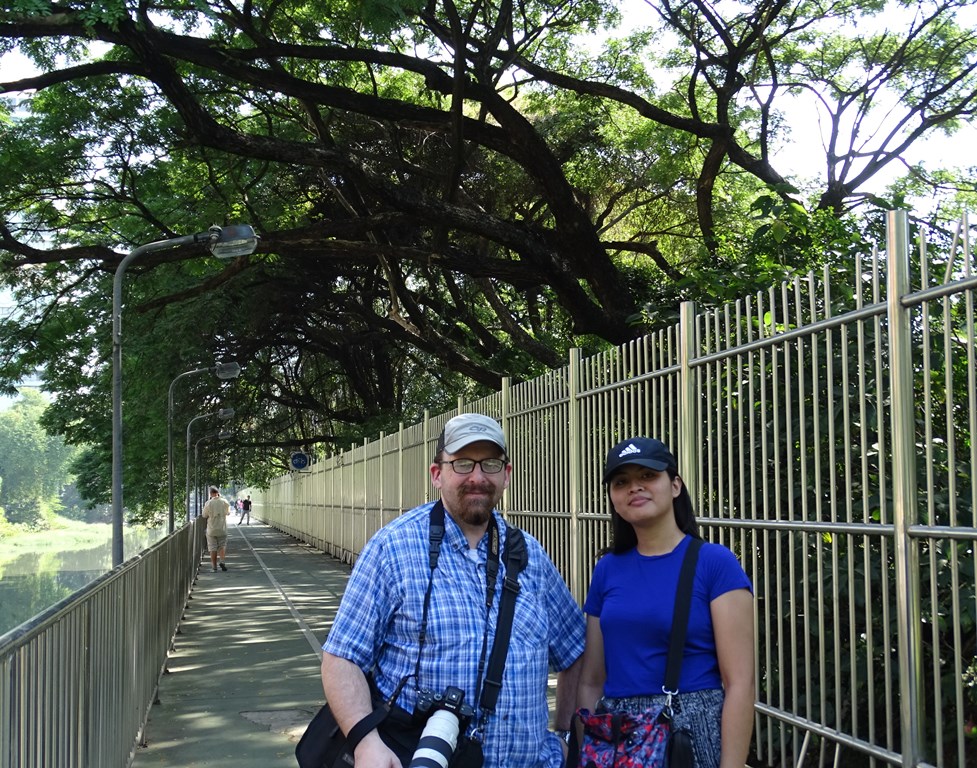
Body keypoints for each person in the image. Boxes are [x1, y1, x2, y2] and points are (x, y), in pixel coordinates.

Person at [320, 413, 585, 768]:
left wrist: (567, 737)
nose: (477, 477)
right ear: (437, 474)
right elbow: (342, 658)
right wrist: (366, 742)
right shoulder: (394, 548)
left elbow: (575, 652)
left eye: (490, 464)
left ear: (506, 475)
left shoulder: (531, 556)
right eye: (462, 463)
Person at [576, 437, 755, 768]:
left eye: (647, 475)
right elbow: (591, 679)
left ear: (675, 485)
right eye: (622, 481)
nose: (635, 487)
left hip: (688, 737)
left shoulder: (715, 563)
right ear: (613, 498)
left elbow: (740, 684)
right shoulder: (606, 569)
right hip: (618, 739)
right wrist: (587, 750)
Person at [202, 486, 231, 572]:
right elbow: (228, 513)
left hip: (211, 528)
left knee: (212, 547)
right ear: (218, 492)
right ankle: (222, 561)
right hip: (222, 528)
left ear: (210, 494)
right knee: (222, 545)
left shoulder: (208, 503)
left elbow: (204, 515)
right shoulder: (224, 502)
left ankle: (214, 567)